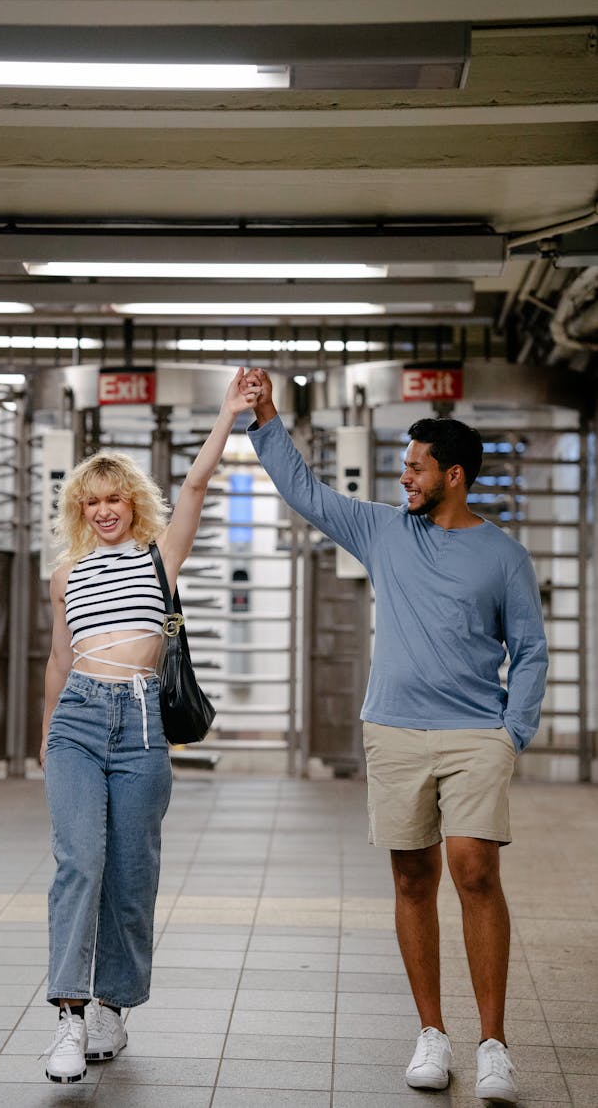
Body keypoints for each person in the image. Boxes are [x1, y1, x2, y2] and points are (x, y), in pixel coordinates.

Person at [240, 368, 547, 1106]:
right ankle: (432, 1035)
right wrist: (266, 421)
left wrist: (514, 734)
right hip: (395, 731)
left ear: (454, 474)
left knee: (475, 870)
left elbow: (531, 650)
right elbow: (307, 494)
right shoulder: (383, 529)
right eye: (403, 466)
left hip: (477, 732)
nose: (402, 476)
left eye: (414, 466)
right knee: (413, 878)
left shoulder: (503, 554)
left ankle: (495, 1044)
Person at [39, 368, 261, 1084]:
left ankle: (113, 1005)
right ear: (80, 508)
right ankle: (69, 1015)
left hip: (139, 725)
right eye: (91, 501)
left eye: (115, 498)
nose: (104, 510)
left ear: (132, 502)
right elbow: (58, 657)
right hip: (77, 718)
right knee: (80, 861)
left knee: (132, 873)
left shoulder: (158, 556)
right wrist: (46, 737)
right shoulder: (65, 574)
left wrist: (228, 414)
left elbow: (195, 487)